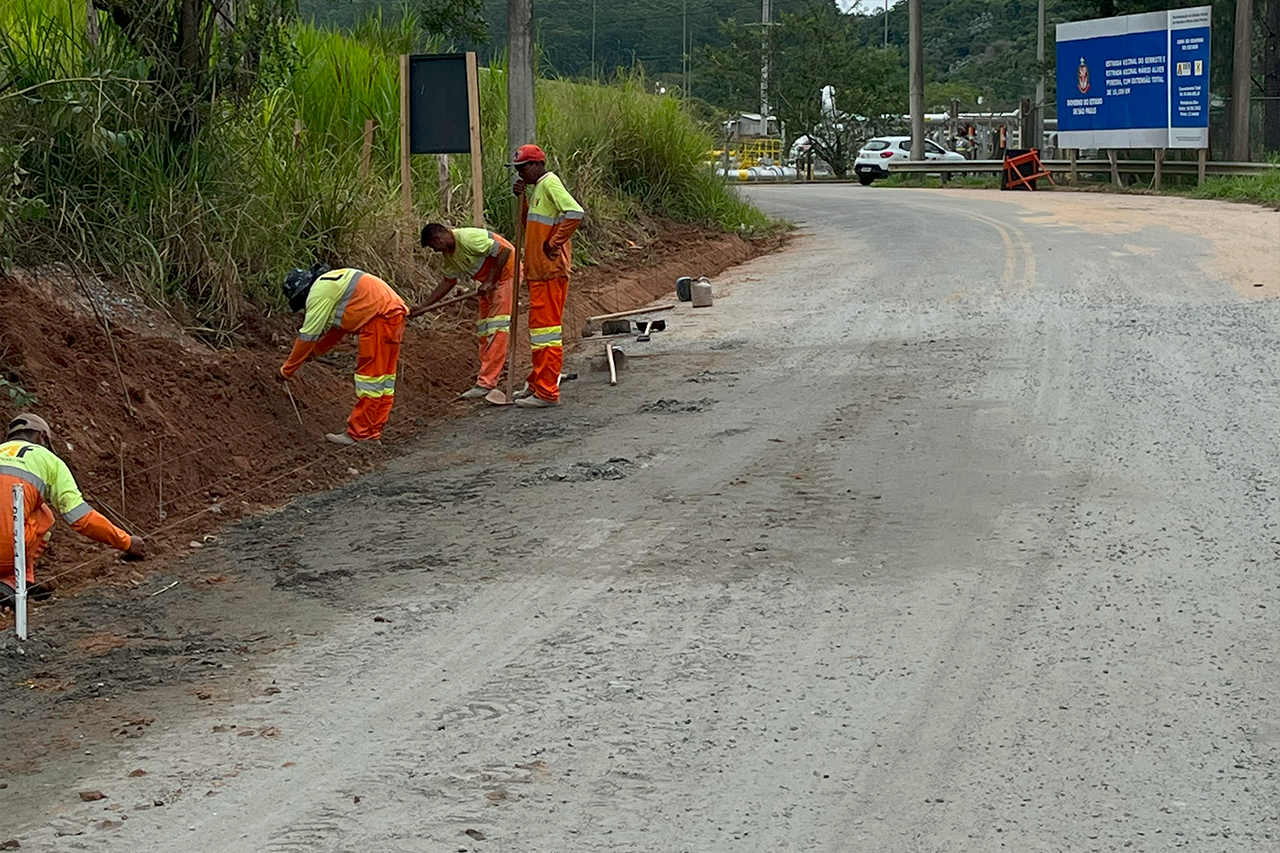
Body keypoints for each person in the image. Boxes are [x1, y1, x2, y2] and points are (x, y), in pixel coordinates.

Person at [0, 413, 145, 609]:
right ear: (42, 436)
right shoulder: (48, 460)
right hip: (8, 554)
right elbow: (81, 519)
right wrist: (126, 542)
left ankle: (20, 580)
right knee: (44, 515)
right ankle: (14, 581)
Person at [278, 263, 408, 445]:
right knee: (383, 381)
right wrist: (316, 352)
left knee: (370, 381)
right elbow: (337, 330)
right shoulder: (331, 284)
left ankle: (359, 433)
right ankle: (372, 432)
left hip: (378, 320)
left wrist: (287, 370)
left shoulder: (318, 292)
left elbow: (308, 335)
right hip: (393, 315)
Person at [509, 144, 584, 408]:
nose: (520, 174)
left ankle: (546, 391)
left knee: (546, 335)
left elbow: (575, 212)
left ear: (536, 165)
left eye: (522, 168)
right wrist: (523, 202)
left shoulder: (550, 184)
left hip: (549, 273)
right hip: (539, 274)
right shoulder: (539, 190)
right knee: (540, 334)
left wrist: (554, 243)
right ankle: (537, 383)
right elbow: (530, 230)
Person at [415, 224, 516, 399]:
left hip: (506, 274)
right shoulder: (450, 255)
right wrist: (424, 307)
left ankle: (487, 382)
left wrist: (491, 281)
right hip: (488, 282)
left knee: (497, 328)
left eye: (433, 246)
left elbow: (504, 251)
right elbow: (448, 282)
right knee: (484, 329)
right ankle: (487, 377)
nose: (436, 251)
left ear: (438, 239)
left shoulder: (468, 239)